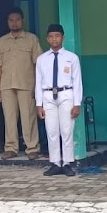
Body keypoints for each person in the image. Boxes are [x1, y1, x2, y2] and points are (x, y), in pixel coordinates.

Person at [0, 7, 42, 160]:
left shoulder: (32, 39)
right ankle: (11, 148)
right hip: (6, 85)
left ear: (23, 21)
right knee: (9, 117)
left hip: (27, 84)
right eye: (11, 20)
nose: (14, 23)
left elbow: (37, 65)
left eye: (17, 20)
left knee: (29, 117)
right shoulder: (2, 41)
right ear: (8, 22)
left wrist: (37, 86)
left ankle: (32, 148)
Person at [35, 24, 83, 177]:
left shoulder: (71, 58)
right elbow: (38, 82)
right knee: (52, 131)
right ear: (47, 39)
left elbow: (77, 82)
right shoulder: (42, 59)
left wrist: (77, 103)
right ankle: (55, 163)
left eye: (57, 36)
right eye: (51, 36)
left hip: (66, 94)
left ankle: (67, 163)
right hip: (48, 96)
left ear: (63, 37)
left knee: (67, 130)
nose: (54, 39)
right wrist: (38, 104)